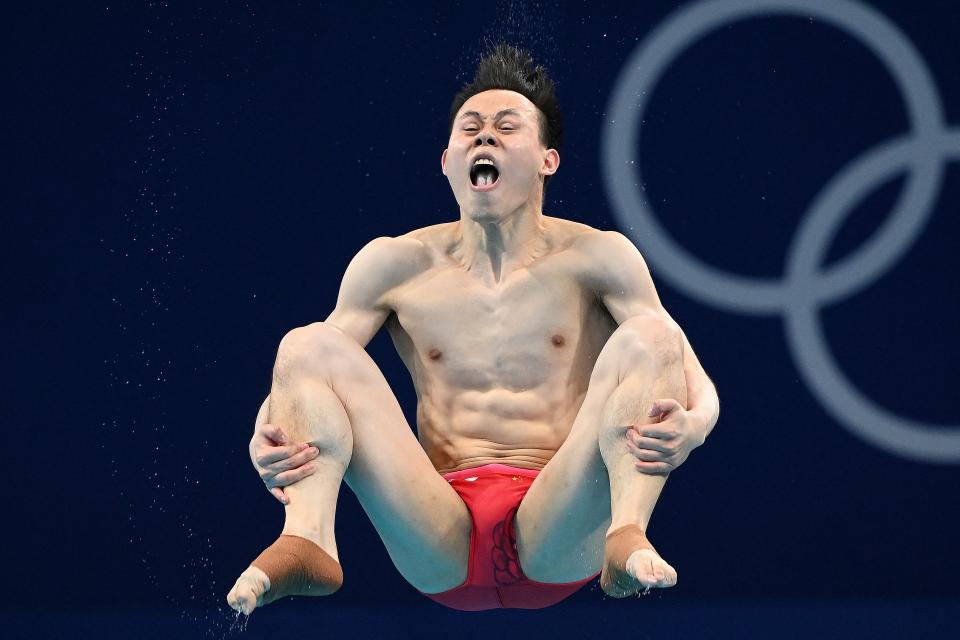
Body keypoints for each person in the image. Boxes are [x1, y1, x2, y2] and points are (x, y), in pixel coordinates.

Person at [227, 43, 719, 614]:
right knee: (305, 342)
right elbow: (302, 375)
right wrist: (264, 435)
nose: (485, 138)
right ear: (446, 162)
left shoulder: (598, 257)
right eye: (471, 129)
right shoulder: (394, 264)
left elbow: (687, 372)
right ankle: (307, 537)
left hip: (558, 523)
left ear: (546, 160)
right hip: (437, 529)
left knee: (654, 337)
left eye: (506, 128)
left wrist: (695, 427)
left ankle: (627, 532)